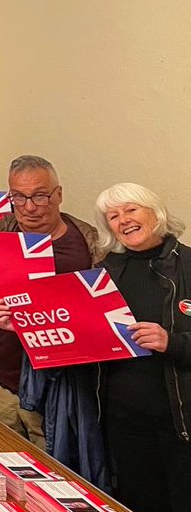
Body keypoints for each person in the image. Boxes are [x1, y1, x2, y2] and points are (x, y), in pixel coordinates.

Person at [0, 156, 98, 447]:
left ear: (58, 195)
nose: (29, 207)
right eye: (19, 196)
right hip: (0, 379)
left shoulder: (88, 242)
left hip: (57, 385)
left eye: (40, 196)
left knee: (53, 474)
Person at [90, 183, 190, 512]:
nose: (123, 220)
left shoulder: (188, 266)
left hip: (181, 424)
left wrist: (171, 342)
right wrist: (21, 322)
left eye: (131, 210)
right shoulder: (105, 273)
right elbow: (77, 336)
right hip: (124, 423)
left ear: (154, 212)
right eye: (113, 216)